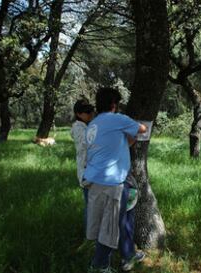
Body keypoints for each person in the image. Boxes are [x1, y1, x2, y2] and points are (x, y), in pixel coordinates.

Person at [84, 87, 147, 273]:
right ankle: (99, 266)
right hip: (112, 184)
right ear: (114, 104)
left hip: (95, 181)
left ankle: (128, 254)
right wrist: (133, 129)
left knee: (114, 220)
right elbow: (143, 128)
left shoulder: (93, 125)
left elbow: (112, 145)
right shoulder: (118, 119)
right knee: (109, 227)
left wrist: (129, 140)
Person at [70, 99, 95, 229]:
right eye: (87, 112)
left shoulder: (87, 126)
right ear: (78, 114)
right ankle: (89, 236)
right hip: (86, 172)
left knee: (92, 205)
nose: (90, 113)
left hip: (90, 171)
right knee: (90, 206)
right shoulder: (79, 128)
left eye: (91, 110)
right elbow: (84, 147)